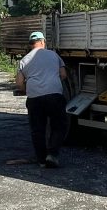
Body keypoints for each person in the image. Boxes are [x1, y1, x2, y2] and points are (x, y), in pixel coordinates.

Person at [16, 31, 68, 168]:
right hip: (54, 95)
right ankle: (52, 154)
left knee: (37, 129)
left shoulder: (24, 60)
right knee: (59, 125)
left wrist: (28, 88)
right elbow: (63, 74)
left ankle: (41, 160)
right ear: (43, 41)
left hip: (34, 98)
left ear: (30, 44)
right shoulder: (53, 55)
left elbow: (20, 83)